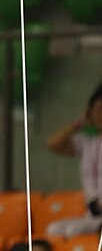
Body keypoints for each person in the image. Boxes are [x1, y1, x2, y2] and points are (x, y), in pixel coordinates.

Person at [45, 83, 102, 237]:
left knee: (73, 231)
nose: (98, 114)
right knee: (54, 229)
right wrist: (81, 121)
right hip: (93, 215)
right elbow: (53, 143)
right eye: (95, 110)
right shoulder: (88, 142)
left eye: (101, 110)